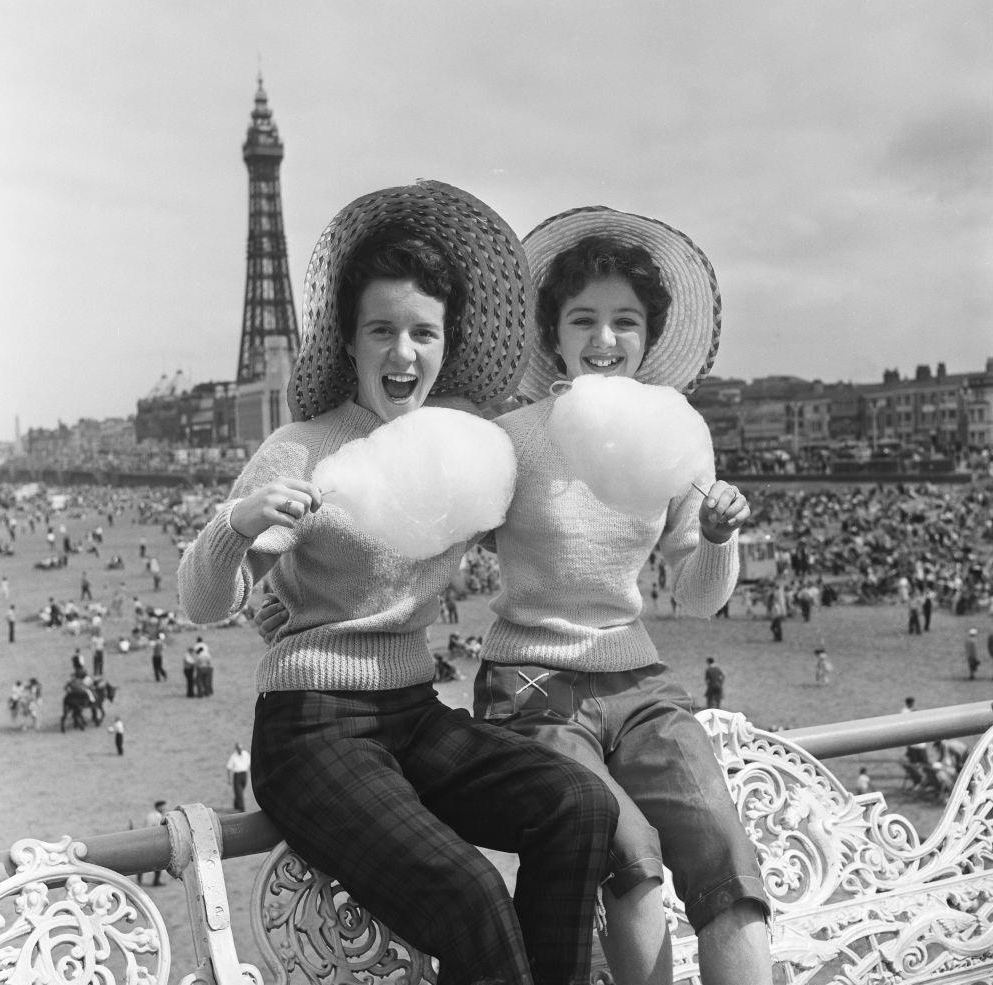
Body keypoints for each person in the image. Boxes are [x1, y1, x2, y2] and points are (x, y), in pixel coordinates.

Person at [179, 181, 618, 985]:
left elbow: (569, 524)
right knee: (471, 891)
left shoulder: (465, 451)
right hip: (311, 730)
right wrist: (238, 521)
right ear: (349, 341)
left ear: (448, 342)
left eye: (423, 331)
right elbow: (203, 602)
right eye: (382, 330)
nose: (403, 353)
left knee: (580, 807)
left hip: (415, 717)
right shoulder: (304, 447)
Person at [472, 212, 771, 984]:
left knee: (726, 857)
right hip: (530, 682)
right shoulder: (511, 438)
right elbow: (437, 543)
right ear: (555, 335)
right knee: (629, 852)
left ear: (648, 334)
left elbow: (700, 598)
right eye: (585, 320)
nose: (605, 340)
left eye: (624, 322)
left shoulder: (676, 432)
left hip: (637, 681)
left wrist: (715, 534)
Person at [138, 800, 167, 885]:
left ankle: (139, 880)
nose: (164, 808)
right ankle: (156, 881)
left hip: (146, 839)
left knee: (143, 861)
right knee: (159, 861)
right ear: (158, 807)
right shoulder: (158, 816)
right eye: (163, 806)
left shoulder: (150, 815)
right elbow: (158, 829)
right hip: (153, 841)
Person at [226, 742, 251, 812]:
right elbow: (228, 767)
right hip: (237, 776)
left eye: (241, 748)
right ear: (236, 749)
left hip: (244, 775)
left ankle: (236, 805)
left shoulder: (246, 754)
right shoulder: (233, 756)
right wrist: (229, 779)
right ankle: (242, 809)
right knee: (239, 793)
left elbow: (249, 765)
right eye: (238, 749)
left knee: (239, 792)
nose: (240, 750)